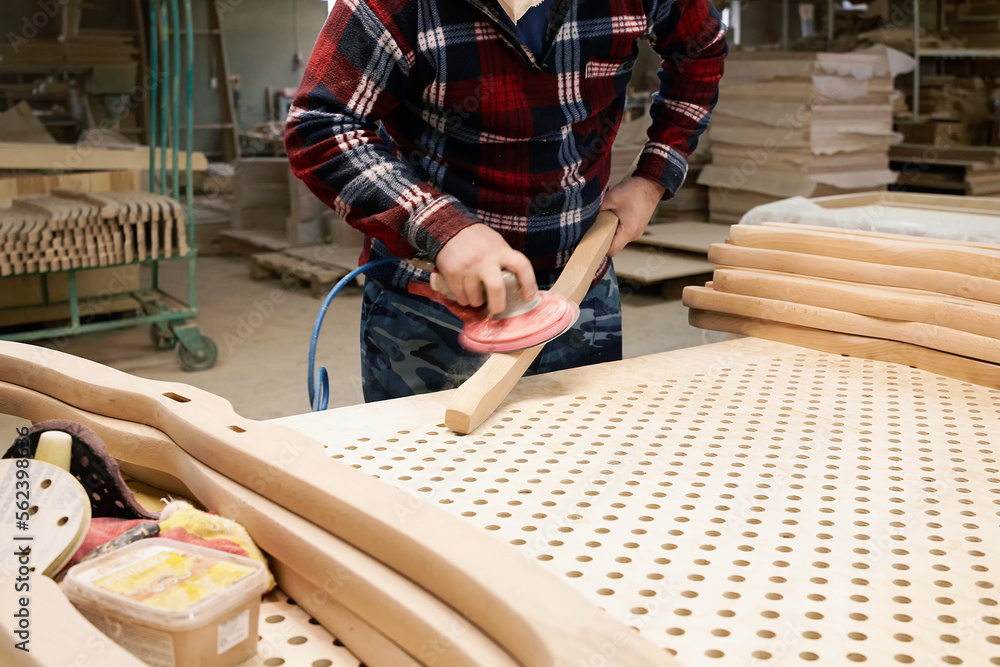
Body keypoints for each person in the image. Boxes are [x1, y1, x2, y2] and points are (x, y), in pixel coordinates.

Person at [286, 0, 727, 402]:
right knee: (431, 478)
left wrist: (653, 176)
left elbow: (701, 49)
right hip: (429, 309)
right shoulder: (396, 7)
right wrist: (444, 228)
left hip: (580, 289)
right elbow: (320, 126)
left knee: (582, 472)